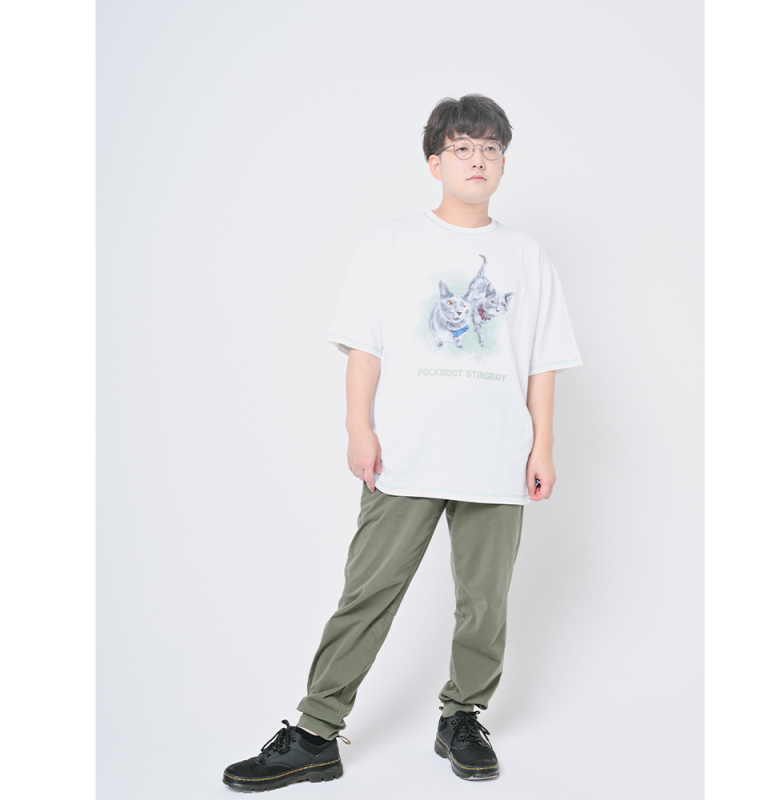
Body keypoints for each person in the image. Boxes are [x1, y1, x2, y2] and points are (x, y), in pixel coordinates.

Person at [222, 93, 583, 791]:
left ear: (504, 163)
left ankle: (462, 716)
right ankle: (315, 732)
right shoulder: (391, 243)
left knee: (486, 601)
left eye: (490, 149)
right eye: (462, 148)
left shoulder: (527, 257)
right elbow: (366, 347)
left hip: (497, 454)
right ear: (434, 162)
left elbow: (542, 362)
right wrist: (358, 428)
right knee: (368, 593)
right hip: (407, 453)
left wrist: (542, 446)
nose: (477, 160)